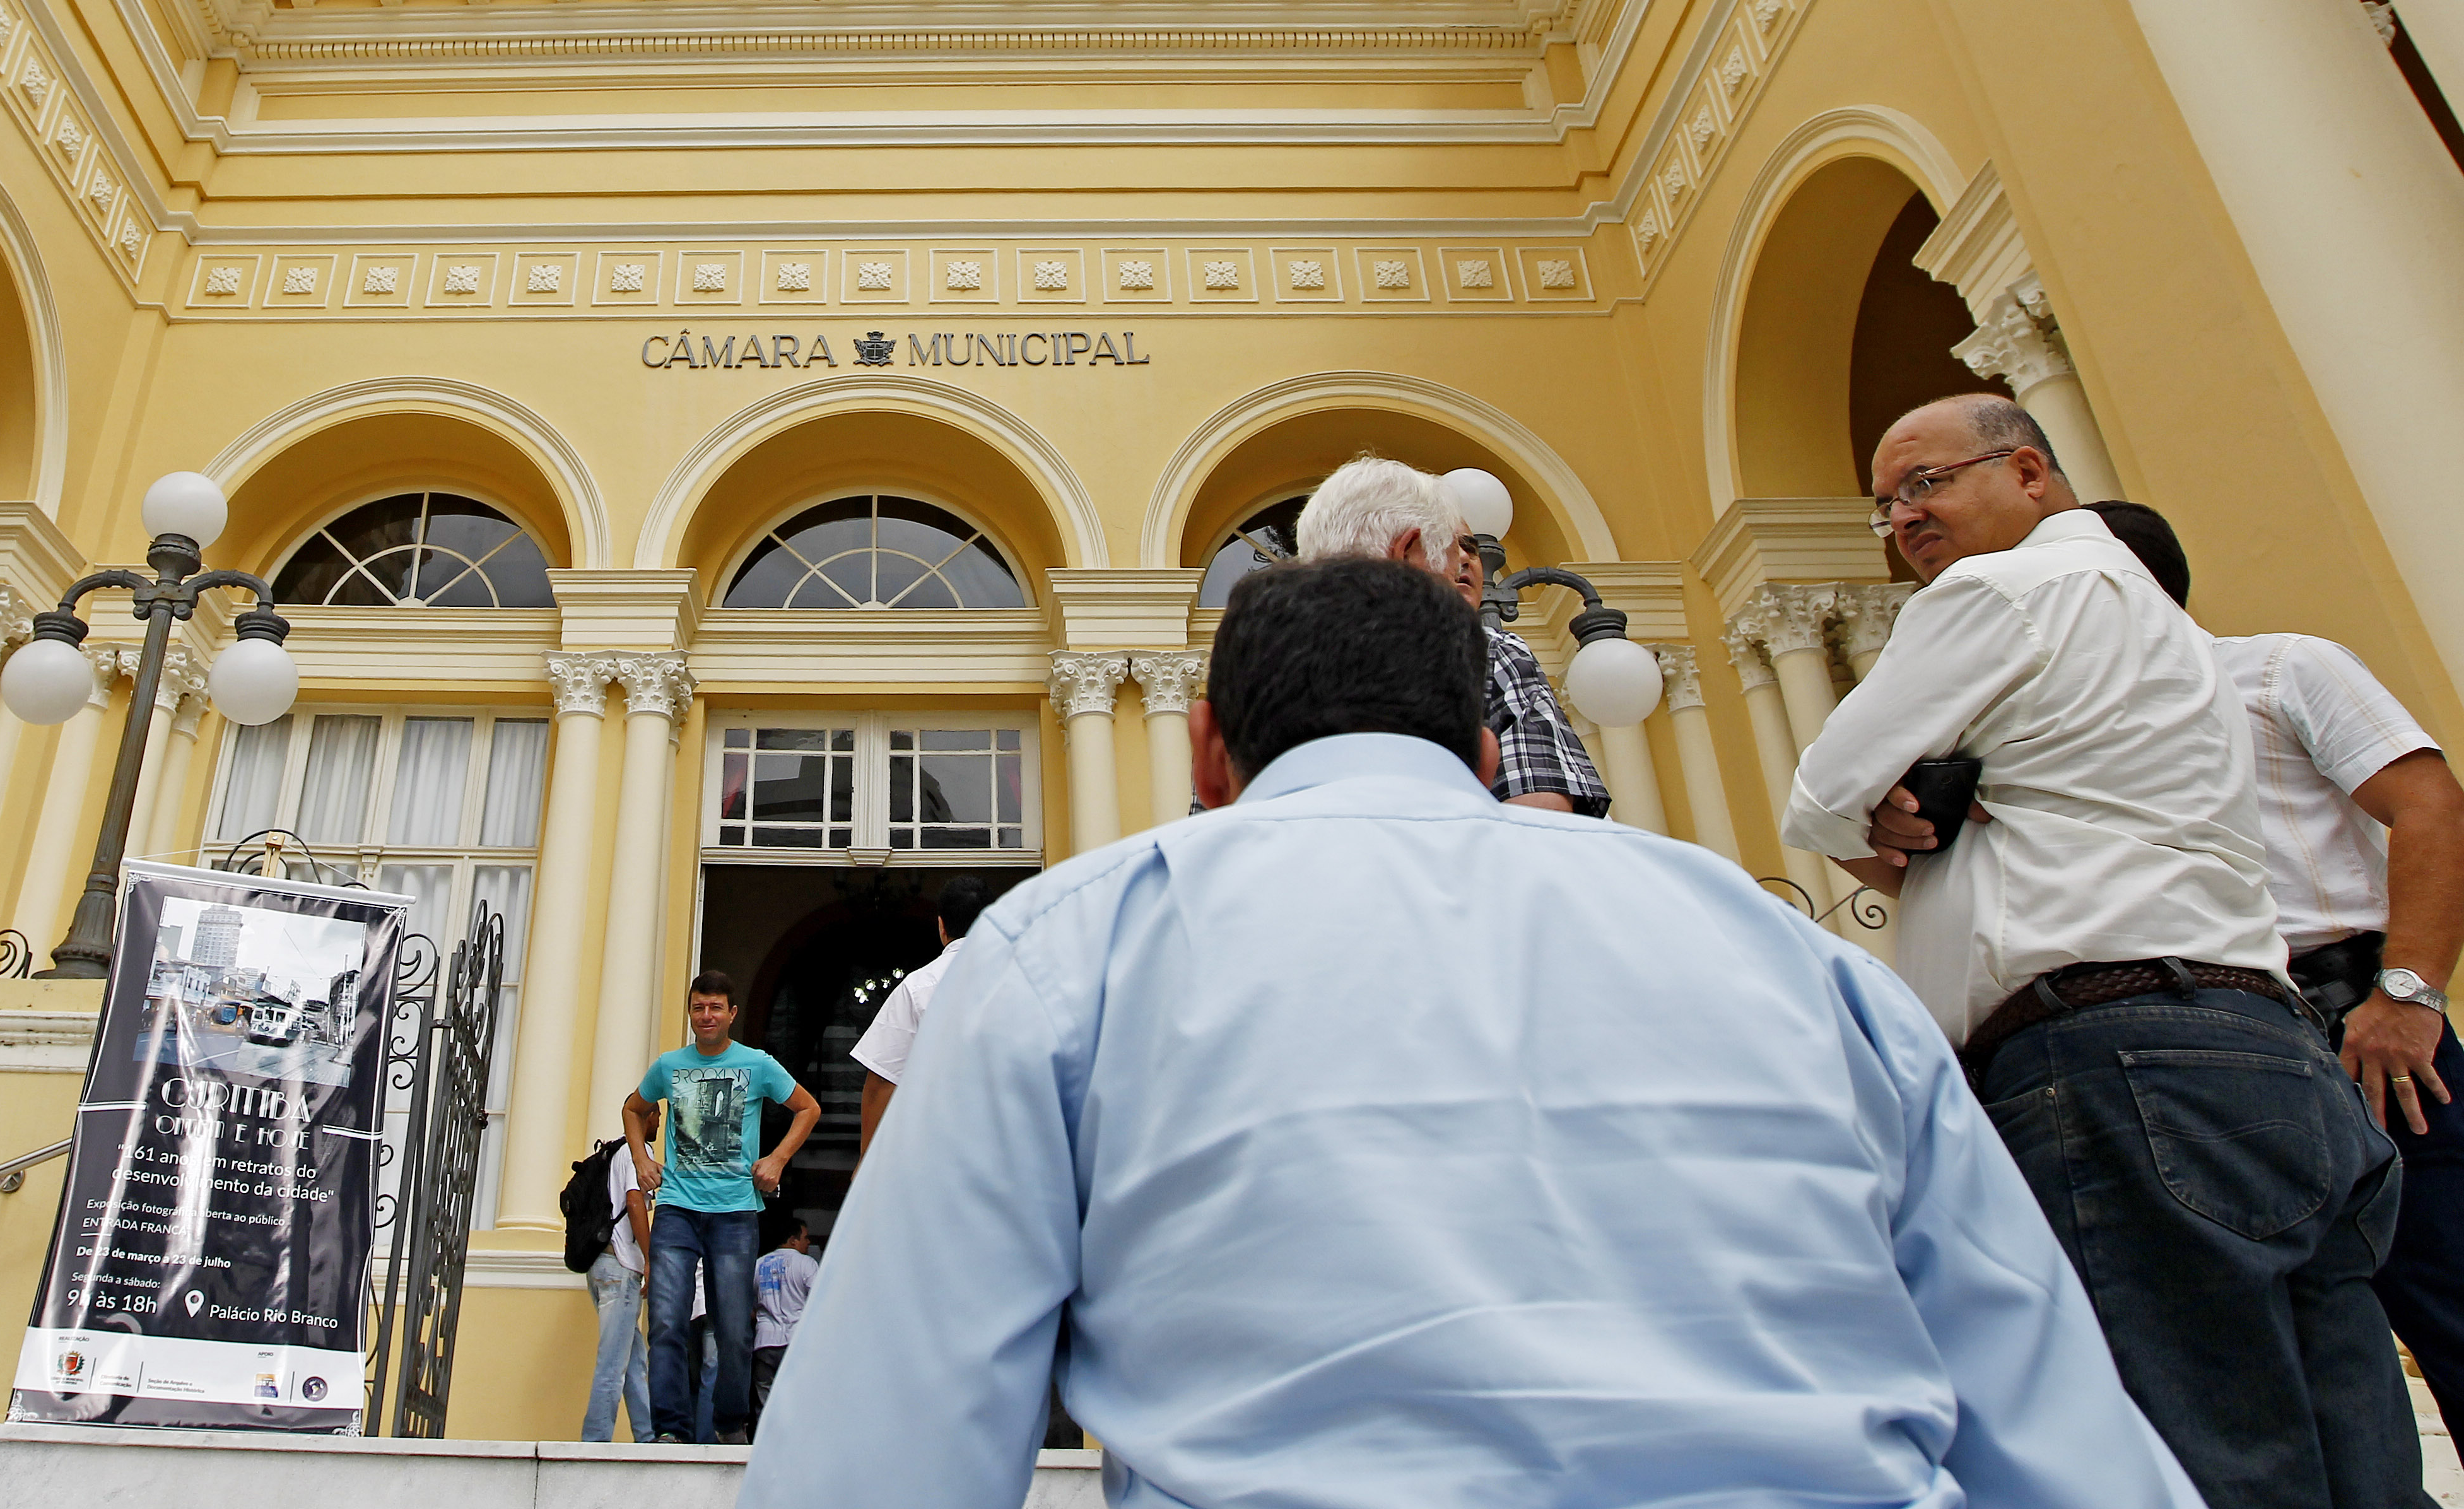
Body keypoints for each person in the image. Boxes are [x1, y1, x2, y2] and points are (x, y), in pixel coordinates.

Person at [743, 555, 2207, 1509]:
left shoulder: (1073, 949)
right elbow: (2049, 1411)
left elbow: (887, 1449)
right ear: (1491, 742)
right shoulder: (1779, 946)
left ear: (1208, 745)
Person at [1781, 395, 2415, 1509]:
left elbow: (1822, 790)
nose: (1901, 519)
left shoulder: (2003, 587)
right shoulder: (2169, 630)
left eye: (1925, 482)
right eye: (1884, 502)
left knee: (2197, 1459)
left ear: (2028, 468)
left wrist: (1888, 828)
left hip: (2112, 1059)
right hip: (2273, 1051)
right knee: (2362, 1462)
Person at [2095, 496, 2464, 1433]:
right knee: (2290, 1353)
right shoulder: (2070, 745)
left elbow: (2431, 808)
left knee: (2451, 1289)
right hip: (2197, 1049)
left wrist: (2410, 994)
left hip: (2363, 1027)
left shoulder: (2281, 669)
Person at [1293, 454, 1610, 815]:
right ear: (1408, 552)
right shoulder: (1489, 653)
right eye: (1451, 545)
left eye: (1472, 548)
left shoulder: (1269, 660)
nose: (1464, 560)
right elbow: (1541, 815)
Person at [625, 970, 821, 1445]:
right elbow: (633, 1108)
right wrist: (641, 1158)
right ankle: (671, 1428)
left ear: (732, 1013)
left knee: (733, 1328)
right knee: (668, 1321)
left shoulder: (757, 1064)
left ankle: (731, 1423)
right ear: (689, 1012)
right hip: (676, 1209)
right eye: (698, 1007)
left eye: (715, 1007)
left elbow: (808, 1108)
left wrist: (777, 1158)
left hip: (734, 1213)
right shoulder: (669, 1066)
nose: (706, 1016)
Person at [851, 874, 989, 1150]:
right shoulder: (1029, 981)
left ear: (941, 925)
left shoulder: (918, 988)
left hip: (938, 1154)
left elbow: (881, 1082)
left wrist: (867, 1163)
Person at [581, 1136, 652, 1442]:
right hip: (620, 1268)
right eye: (655, 1114)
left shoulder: (611, 1155)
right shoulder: (638, 1151)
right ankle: (594, 1442)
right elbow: (635, 1201)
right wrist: (651, 1259)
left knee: (633, 1361)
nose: (659, 1121)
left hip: (599, 1266)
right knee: (613, 1363)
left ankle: (649, 1436)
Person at [748, 1219, 815, 1433]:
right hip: (797, 1341)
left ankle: (765, 1444)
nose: (808, 1242)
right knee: (799, 1399)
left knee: (766, 1401)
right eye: (805, 1238)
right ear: (793, 1241)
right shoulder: (806, 1264)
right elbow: (819, 1299)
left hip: (765, 1342)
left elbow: (748, 1306)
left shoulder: (758, 1265)